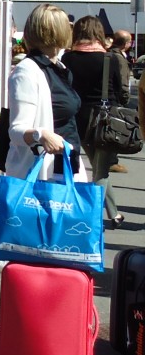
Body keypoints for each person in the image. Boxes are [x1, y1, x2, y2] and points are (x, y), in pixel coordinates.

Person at [6, 3, 87, 183]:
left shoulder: (59, 68)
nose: (71, 30)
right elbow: (16, 130)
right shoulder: (27, 72)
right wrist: (42, 135)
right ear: (56, 31)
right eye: (68, 26)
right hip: (44, 175)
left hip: (64, 167)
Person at [65, 15, 126, 227]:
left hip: (79, 121)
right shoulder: (109, 59)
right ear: (99, 33)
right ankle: (92, 217)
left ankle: (114, 213)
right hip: (106, 122)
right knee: (100, 170)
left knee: (98, 167)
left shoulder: (68, 59)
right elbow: (119, 92)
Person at [107, 29, 133, 174]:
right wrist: (125, 99)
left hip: (110, 96)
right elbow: (123, 81)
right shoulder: (118, 58)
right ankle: (112, 161)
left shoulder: (109, 54)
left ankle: (110, 160)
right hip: (115, 98)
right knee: (114, 129)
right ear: (126, 44)